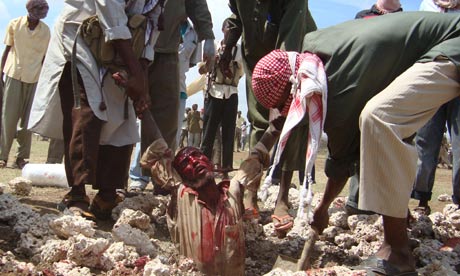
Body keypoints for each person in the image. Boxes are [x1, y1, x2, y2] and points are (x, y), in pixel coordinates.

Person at [250, 12, 460, 275]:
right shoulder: (314, 50)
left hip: (453, 43)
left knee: (380, 118)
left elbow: (341, 163)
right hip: (440, 44)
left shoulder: (338, 88)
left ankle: (398, 253)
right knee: (385, 118)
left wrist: (322, 209)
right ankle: (397, 215)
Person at [28, 0, 164, 220]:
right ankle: (77, 195)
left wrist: (142, 81)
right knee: (87, 109)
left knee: (120, 114)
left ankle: (107, 194)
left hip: (124, 47)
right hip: (82, 35)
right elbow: (111, 13)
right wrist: (136, 72)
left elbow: (151, 28)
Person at [218, 0, 317, 231]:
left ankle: (282, 197)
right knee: (258, 120)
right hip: (257, 59)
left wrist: (283, 95)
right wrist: (228, 46)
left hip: (293, 58)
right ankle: (250, 193)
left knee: (289, 122)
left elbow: (291, 40)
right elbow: (236, 17)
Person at [140, 140, 248, 275]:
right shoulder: (181, 196)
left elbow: (256, 159)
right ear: (182, 177)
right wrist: (165, 151)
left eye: (197, 155)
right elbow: (149, 161)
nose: (194, 162)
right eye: (185, 163)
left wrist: (274, 130)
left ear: (209, 162)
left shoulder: (233, 191)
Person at [346, 0, 403, 215]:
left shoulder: (406, 21)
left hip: (396, 93)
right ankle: (356, 202)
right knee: (360, 144)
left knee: (395, 148)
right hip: (364, 91)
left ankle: (391, 207)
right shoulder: (362, 17)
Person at [145, 0, 214, 156]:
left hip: (166, 50)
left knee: (166, 122)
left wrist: (208, 37)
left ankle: (160, 172)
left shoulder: (191, 34)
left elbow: (196, 5)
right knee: (123, 119)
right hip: (130, 44)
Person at [411, 0, 460, 215]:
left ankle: (458, 204)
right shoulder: (426, 6)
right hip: (431, 78)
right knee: (425, 141)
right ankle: (421, 200)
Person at [0, 0, 50, 169]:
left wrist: (44, 81)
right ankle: (3, 156)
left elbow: (44, 58)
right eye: (40, 9)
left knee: (28, 122)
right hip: (14, 74)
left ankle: (21, 158)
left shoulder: (45, 31)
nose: (43, 12)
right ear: (30, 10)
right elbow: (7, 50)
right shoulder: (14, 24)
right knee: (9, 118)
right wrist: (0, 73)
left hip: (34, 78)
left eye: (44, 9)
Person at [200, 19, 243, 175]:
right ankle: (203, 167)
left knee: (228, 133)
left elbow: (241, 71)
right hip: (214, 92)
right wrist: (212, 62)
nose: (230, 31)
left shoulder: (239, 50)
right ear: (222, 29)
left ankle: (226, 169)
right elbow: (202, 68)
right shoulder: (215, 47)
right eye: (228, 27)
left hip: (231, 93)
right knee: (209, 133)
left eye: (234, 29)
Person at [176, 19, 201, 148]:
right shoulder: (162, 19)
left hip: (179, 89)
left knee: (174, 135)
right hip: (157, 85)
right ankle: (136, 169)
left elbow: (192, 62)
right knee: (147, 135)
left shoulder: (194, 33)